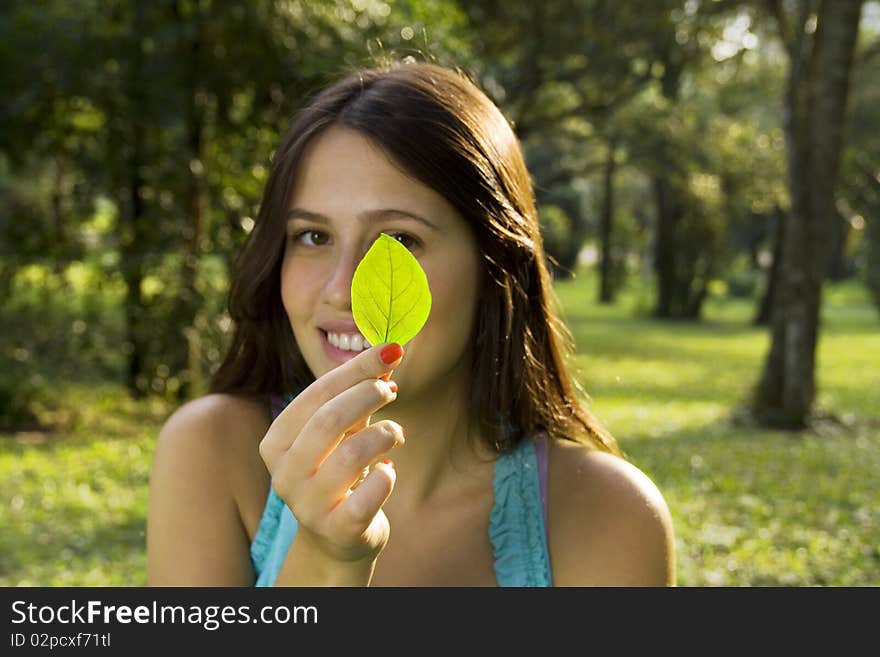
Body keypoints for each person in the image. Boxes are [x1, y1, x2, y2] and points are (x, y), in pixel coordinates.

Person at [146, 60, 676, 587]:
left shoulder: (610, 515)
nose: (339, 290)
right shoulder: (210, 453)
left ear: (495, 269)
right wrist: (328, 561)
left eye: (400, 241)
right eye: (313, 236)